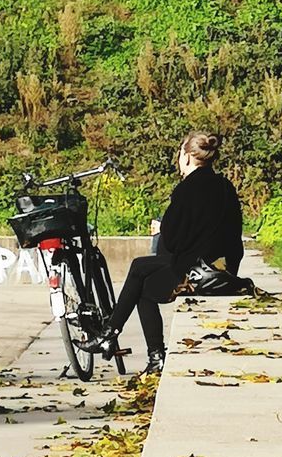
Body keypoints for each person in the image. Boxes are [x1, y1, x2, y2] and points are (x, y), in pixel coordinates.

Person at [80, 131, 243, 374]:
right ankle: (118, 339)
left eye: (179, 154)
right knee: (142, 281)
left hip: (198, 275)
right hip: (225, 271)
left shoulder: (186, 190)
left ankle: (118, 338)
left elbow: (174, 244)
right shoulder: (225, 187)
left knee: (140, 276)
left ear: (187, 157)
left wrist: (163, 228)